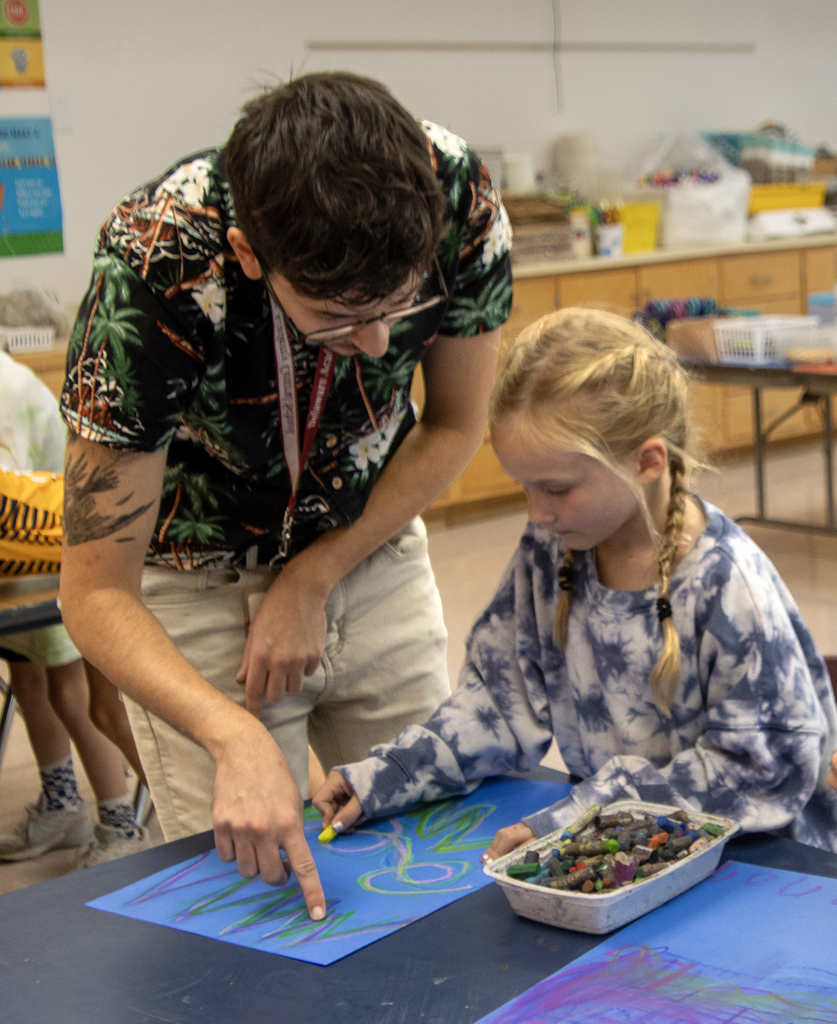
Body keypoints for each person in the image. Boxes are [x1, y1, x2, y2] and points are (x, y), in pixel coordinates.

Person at [57, 72, 512, 918]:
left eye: (398, 304)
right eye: (340, 319)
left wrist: (313, 577)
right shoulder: (155, 261)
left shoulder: (458, 195)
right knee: (258, 889)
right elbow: (92, 593)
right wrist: (233, 734)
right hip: (193, 577)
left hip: (367, 542)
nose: (377, 343)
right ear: (247, 254)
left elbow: (451, 426)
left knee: (429, 850)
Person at [313, 307, 837, 859]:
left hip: (762, 866)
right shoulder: (553, 550)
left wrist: (588, 816)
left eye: (557, 489)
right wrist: (394, 773)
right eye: (525, 489)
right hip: (625, 853)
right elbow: (497, 699)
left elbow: (760, 768)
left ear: (648, 462)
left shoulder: (726, 584)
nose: (538, 513)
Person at [0, 352, 148, 866]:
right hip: (14, 575)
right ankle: (63, 804)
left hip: (56, 564)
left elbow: (22, 491)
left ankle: (120, 822)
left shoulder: (11, 389)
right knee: (28, 685)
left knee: (77, 696)